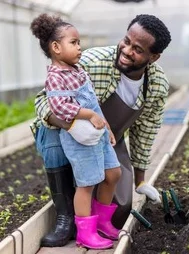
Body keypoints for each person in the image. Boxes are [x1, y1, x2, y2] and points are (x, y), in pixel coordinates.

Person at [30, 14, 172, 247]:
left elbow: (145, 132)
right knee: (57, 144)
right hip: (68, 131)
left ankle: (98, 223)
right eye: (126, 41)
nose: (126, 50)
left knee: (122, 203)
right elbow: (42, 102)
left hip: (107, 136)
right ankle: (65, 218)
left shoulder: (156, 84)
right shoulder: (91, 62)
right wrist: (73, 124)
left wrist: (141, 181)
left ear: (153, 57)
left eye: (137, 49)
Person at [30, 14, 124, 249]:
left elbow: (93, 102)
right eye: (74, 43)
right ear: (56, 47)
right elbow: (60, 107)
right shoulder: (55, 76)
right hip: (80, 138)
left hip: (98, 133)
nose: (80, 47)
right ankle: (86, 232)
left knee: (113, 174)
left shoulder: (78, 70)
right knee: (87, 183)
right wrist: (89, 115)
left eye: (79, 42)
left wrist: (107, 127)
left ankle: (102, 222)